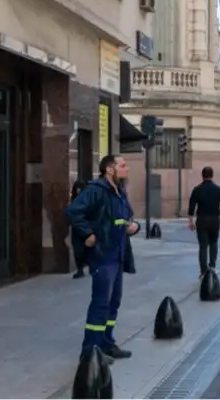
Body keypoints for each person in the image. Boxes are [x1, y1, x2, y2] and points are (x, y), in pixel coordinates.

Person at [66, 155, 140, 361]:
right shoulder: (95, 191)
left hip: (118, 254)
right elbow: (73, 212)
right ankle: (90, 351)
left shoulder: (119, 192)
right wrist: (88, 234)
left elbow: (126, 218)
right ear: (109, 169)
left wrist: (133, 227)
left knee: (113, 303)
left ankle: (106, 343)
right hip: (103, 255)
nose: (126, 169)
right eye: (122, 166)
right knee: (100, 304)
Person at [187, 166, 220, 277]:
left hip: (202, 220)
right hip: (215, 220)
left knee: (203, 246)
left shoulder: (197, 189)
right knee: (214, 243)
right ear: (212, 175)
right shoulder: (218, 189)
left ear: (202, 175)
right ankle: (212, 266)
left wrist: (190, 221)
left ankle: (203, 270)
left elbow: (191, 206)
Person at [69, 180, 88, 279]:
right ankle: (80, 269)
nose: (79, 191)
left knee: (86, 249)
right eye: (77, 189)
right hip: (76, 229)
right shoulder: (74, 200)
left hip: (86, 229)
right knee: (77, 249)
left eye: (80, 189)